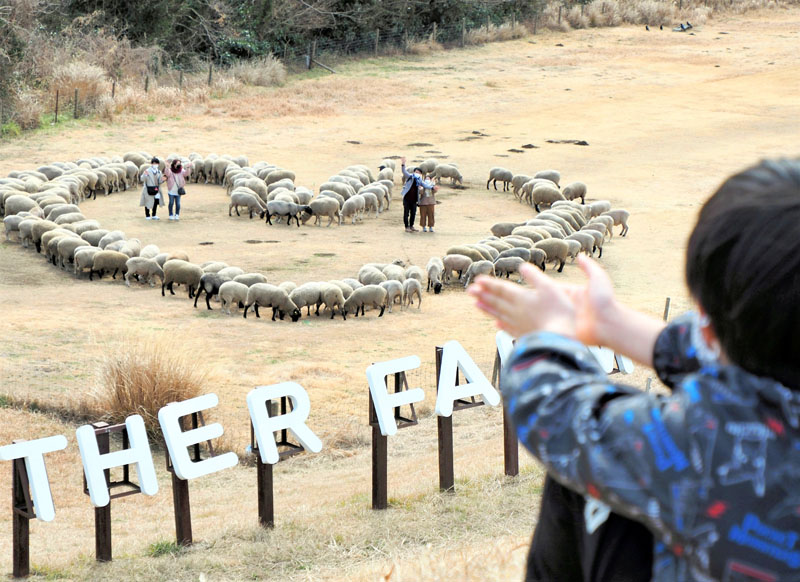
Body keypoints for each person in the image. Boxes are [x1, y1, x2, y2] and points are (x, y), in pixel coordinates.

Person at [468, 158, 800, 581]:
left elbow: (561, 416)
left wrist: (549, 336)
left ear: (706, 323)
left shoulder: (706, 446)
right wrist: (612, 325)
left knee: (585, 479)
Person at [399, 156, 435, 232]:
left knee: (413, 213)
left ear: (421, 174)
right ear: (414, 172)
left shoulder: (420, 180)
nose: (417, 173)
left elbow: (425, 185)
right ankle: (407, 227)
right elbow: (404, 172)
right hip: (407, 199)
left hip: (414, 200)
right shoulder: (410, 177)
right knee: (406, 213)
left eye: (418, 172)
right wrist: (403, 164)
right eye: (416, 172)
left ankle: (411, 226)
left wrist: (432, 188)